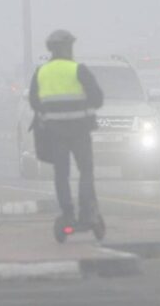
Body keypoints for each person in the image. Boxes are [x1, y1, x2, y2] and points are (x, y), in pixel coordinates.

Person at [29, 29, 105, 239]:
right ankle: (87, 213)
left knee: (61, 175)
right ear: (67, 48)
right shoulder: (78, 69)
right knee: (86, 171)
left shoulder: (41, 72)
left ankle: (68, 214)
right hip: (80, 131)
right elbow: (98, 99)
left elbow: (34, 103)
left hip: (55, 133)